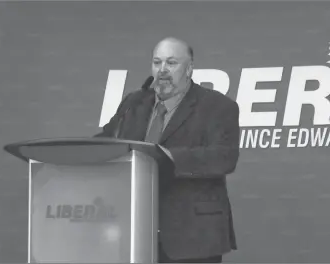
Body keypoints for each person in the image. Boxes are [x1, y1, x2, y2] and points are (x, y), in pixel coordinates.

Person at [95, 37, 240, 263]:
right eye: (157, 62)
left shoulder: (218, 107)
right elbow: (107, 140)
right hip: (135, 232)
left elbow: (224, 157)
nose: (162, 70)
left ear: (189, 68)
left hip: (191, 237)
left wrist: (168, 157)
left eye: (171, 63)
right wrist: (79, 153)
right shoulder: (135, 102)